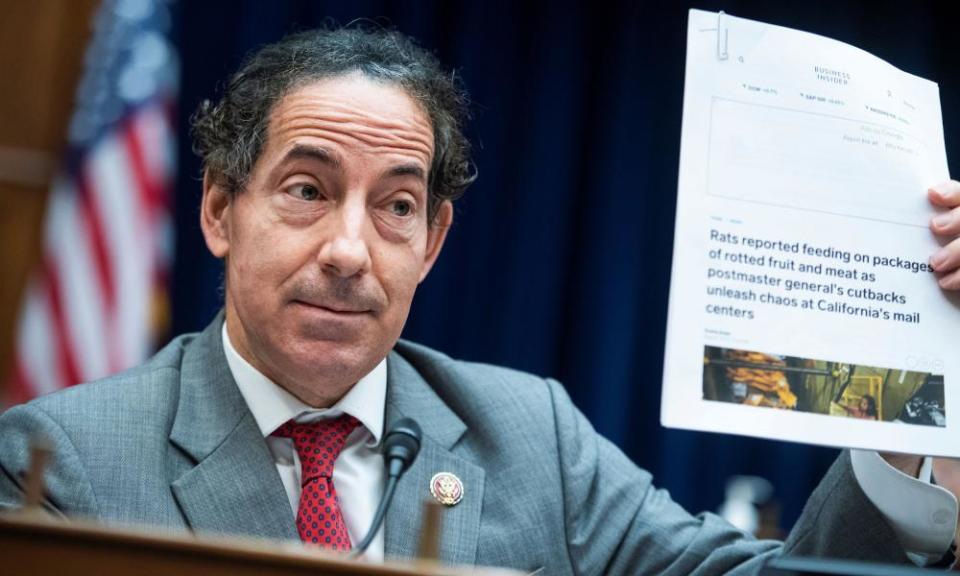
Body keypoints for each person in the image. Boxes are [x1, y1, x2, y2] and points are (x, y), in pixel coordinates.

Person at [2, 26, 960, 574]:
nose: (348, 251)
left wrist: (920, 392)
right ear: (219, 208)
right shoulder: (62, 463)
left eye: (397, 207)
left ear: (435, 242)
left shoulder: (526, 434)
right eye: (306, 191)